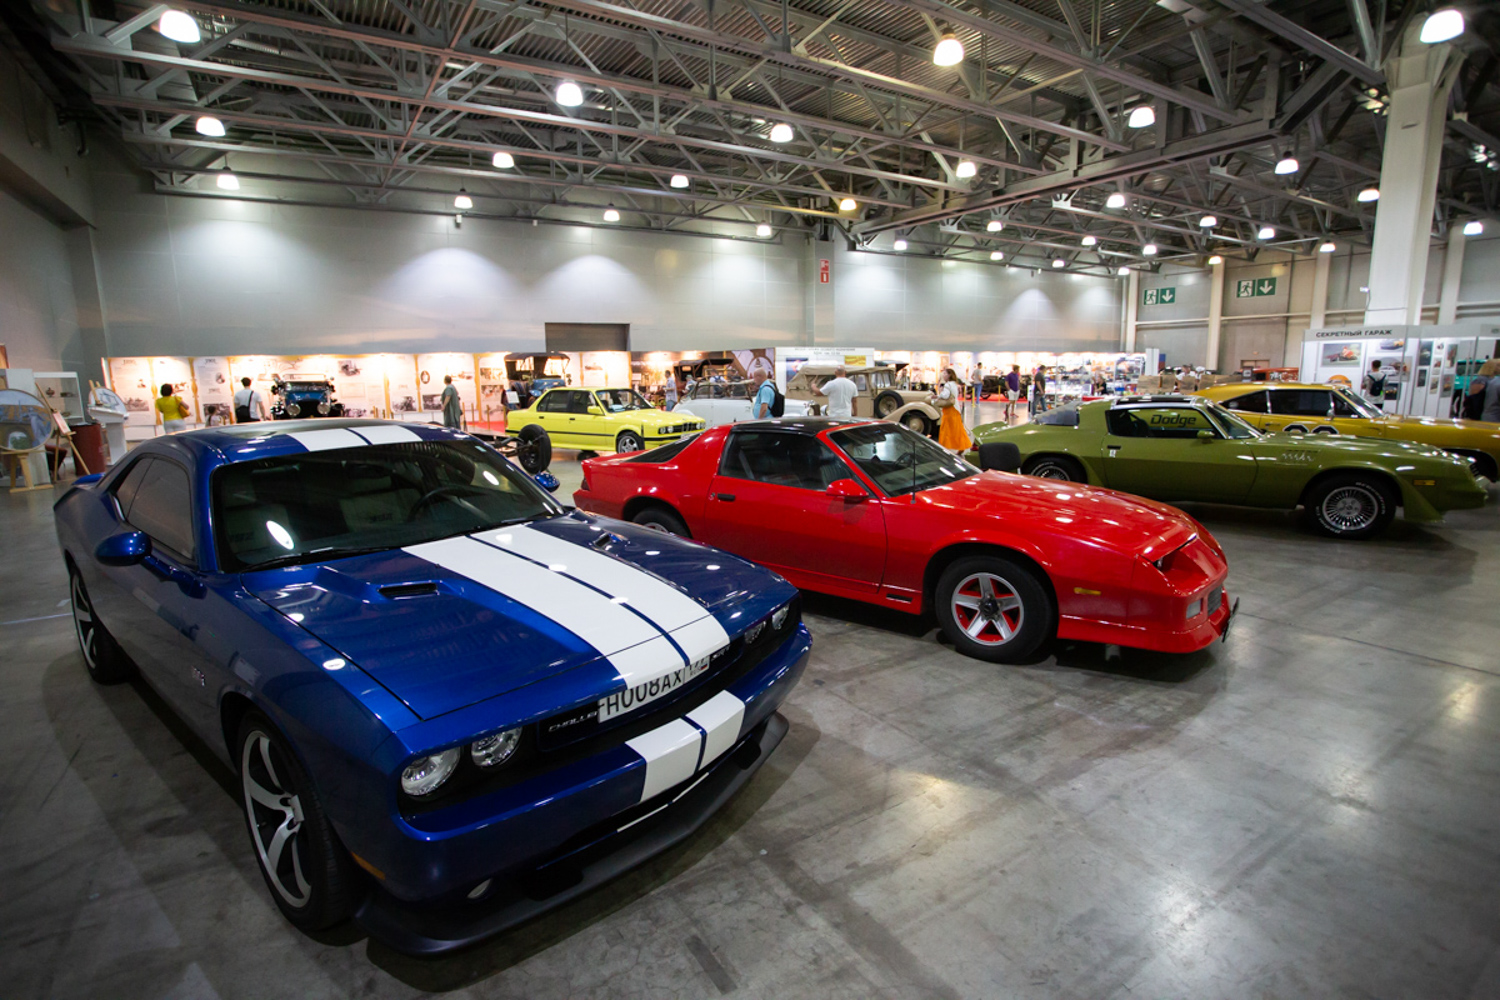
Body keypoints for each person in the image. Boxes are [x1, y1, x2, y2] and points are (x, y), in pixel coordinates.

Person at [931, 368, 971, 453]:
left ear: (949, 375)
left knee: (946, 428)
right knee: (957, 428)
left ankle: (944, 446)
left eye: (945, 374)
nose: (943, 375)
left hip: (949, 409)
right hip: (955, 408)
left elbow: (945, 396)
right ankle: (961, 445)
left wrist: (938, 396)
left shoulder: (947, 385)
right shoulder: (954, 384)